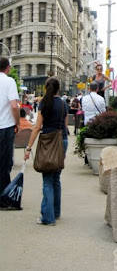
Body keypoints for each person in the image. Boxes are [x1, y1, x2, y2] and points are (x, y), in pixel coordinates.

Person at [23, 78, 69, 225]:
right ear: (59, 88)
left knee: (47, 180)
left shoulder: (44, 103)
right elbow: (65, 126)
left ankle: (48, 218)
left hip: (48, 141)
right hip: (61, 140)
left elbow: (37, 127)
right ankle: (55, 212)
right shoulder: (63, 104)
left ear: (46, 88)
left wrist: (29, 148)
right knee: (56, 178)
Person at [0, 57, 20, 197]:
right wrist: (17, 122)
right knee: (4, 163)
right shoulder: (9, 81)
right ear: (8, 67)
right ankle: (4, 194)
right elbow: (14, 106)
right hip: (5, 126)